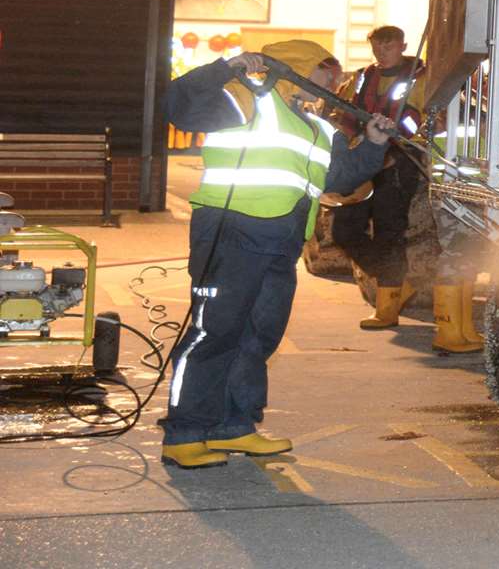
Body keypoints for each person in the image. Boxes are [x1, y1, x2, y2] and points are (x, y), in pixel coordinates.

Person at [159, 40, 395, 469]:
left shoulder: (319, 128)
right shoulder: (247, 99)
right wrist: (225, 67)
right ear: (300, 69)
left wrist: (374, 144)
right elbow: (178, 103)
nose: (333, 86)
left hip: (282, 241)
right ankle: (186, 432)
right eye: (327, 75)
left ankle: (236, 426)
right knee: (214, 332)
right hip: (232, 230)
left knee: (258, 336)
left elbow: (339, 179)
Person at [330, 26, 459, 342]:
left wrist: (400, 140)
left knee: (390, 229)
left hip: (399, 160)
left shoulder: (421, 77)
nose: (382, 52)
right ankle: (397, 281)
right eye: (377, 46)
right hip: (361, 158)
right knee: (344, 230)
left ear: (402, 45)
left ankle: (386, 307)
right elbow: (341, 112)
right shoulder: (361, 77)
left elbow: (432, 119)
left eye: (388, 46)